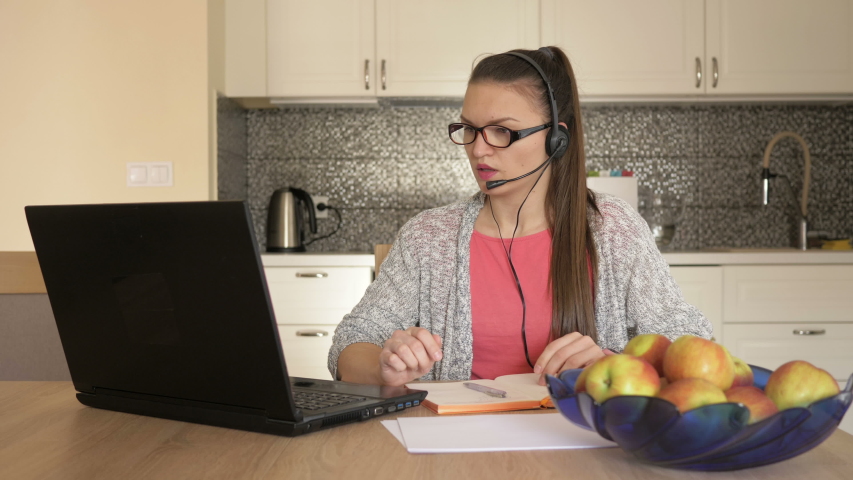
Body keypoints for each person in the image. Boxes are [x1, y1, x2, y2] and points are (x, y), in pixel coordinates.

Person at [328, 46, 711, 387]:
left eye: (501, 131)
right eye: (469, 129)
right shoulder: (428, 236)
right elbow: (352, 340)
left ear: (555, 139)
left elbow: (693, 346)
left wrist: (613, 364)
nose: (478, 150)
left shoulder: (612, 229)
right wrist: (384, 368)